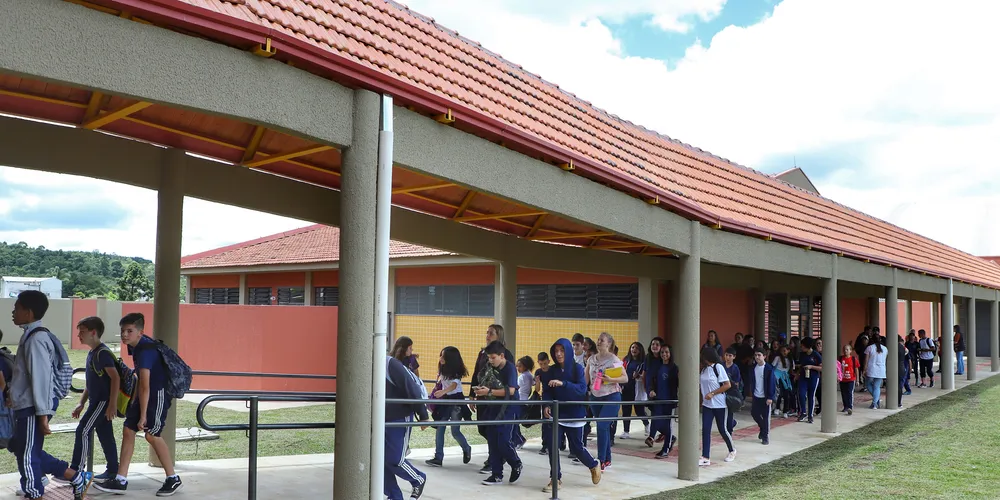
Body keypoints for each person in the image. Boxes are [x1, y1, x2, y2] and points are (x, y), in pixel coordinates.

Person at [8, 291, 92, 500]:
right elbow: (27, 376)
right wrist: (13, 394)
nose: (13, 312)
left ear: (28, 312)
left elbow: (41, 380)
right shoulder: (30, 334)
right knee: (24, 449)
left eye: (17, 308)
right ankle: (75, 476)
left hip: (33, 406)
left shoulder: (37, 339)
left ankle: (35, 493)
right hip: (28, 404)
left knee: (27, 455)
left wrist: (43, 415)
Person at [94, 313, 181, 496]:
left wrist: (142, 415)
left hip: (157, 396)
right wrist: (134, 402)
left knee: (151, 434)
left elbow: (145, 385)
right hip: (144, 394)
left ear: (140, 332)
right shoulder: (136, 347)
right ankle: (120, 480)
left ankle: (173, 478)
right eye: (123, 331)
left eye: (129, 331)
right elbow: (139, 381)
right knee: (128, 429)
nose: (125, 334)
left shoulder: (146, 350)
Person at [539, 338, 601, 493]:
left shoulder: (577, 369)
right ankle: (555, 478)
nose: (559, 354)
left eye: (562, 350)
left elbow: (581, 389)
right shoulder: (551, 370)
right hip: (557, 414)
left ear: (568, 351)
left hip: (574, 414)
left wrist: (563, 383)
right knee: (553, 446)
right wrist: (546, 405)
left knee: (577, 448)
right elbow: (547, 391)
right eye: (556, 351)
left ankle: (593, 465)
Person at [70, 317, 120, 482]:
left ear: (93, 333)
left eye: (82, 332)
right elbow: (90, 382)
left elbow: (115, 378)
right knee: (105, 435)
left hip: (102, 402)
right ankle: (113, 470)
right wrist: (81, 402)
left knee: (83, 430)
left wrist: (112, 404)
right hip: (96, 402)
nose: (79, 335)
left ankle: (76, 470)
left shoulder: (102, 354)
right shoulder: (93, 353)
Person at [473, 341, 522, 486]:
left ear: (501, 355)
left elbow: (511, 390)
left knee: (504, 440)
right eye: (489, 358)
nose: (490, 360)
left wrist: (488, 391)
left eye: (493, 357)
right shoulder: (490, 367)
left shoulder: (510, 368)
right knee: (492, 440)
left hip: (508, 408)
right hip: (493, 407)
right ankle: (496, 474)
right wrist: (483, 389)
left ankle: (516, 463)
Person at [384, 355, 429, 500]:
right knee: (378, 460)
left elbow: (411, 388)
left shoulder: (390, 364)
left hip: (399, 416)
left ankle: (418, 479)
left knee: (395, 459)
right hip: (378, 418)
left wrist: (423, 415)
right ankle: (394, 496)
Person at [469, 324, 514, 472]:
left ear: (498, 336)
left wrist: (493, 391)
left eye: (491, 333)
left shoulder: (506, 354)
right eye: (487, 332)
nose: (487, 335)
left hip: (497, 399)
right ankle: (499, 454)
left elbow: (510, 384)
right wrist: (472, 394)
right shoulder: (482, 353)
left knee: (492, 430)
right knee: (482, 428)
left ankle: (495, 458)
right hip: (483, 396)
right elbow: (476, 373)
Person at [586, 332, 625, 471]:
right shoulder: (591, 359)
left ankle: (601, 459)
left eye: (601, 340)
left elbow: (625, 378)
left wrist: (611, 380)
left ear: (608, 343)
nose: (598, 342)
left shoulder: (614, 359)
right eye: (598, 339)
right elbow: (586, 379)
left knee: (602, 425)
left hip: (611, 395)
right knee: (604, 427)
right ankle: (608, 459)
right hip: (595, 396)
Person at [425, 347, 471, 468]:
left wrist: (442, 391)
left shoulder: (455, 372)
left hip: (456, 401)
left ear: (450, 359)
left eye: (443, 356)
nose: (440, 358)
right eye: (440, 355)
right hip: (446, 400)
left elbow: (454, 385)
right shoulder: (442, 369)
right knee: (440, 428)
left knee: (455, 431)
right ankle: (438, 457)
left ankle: (466, 448)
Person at [699, 346, 736, 466]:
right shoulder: (704, 370)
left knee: (722, 429)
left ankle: (732, 450)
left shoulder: (718, 367)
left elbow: (727, 385)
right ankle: (705, 456)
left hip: (720, 404)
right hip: (707, 405)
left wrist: (713, 393)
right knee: (705, 430)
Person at [648, 345, 678, 458]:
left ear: (670, 354)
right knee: (657, 422)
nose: (664, 354)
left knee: (668, 424)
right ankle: (670, 438)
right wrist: (651, 390)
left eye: (666, 352)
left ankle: (666, 449)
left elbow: (677, 384)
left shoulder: (674, 368)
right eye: (662, 352)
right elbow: (652, 381)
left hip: (669, 401)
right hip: (658, 400)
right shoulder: (658, 367)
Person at [619, 341, 648, 439]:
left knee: (639, 410)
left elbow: (644, 376)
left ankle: (647, 424)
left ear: (640, 351)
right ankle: (626, 431)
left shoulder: (643, 362)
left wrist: (638, 376)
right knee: (626, 410)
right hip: (626, 388)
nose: (634, 350)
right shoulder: (626, 360)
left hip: (637, 389)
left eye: (636, 348)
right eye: (632, 347)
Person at [748, 348, 776, 445]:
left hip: (765, 397)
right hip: (756, 396)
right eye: (755, 355)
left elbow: (772, 383)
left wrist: (770, 397)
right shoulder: (753, 368)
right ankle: (762, 428)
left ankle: (765, 436)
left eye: (759, 355)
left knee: (766, 417)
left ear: (764, 356)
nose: (757, 357)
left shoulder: (768, 368)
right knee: (754, 413)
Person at [796, 337, 822, 423]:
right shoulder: (802, 354)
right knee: (801, 394)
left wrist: (811, 367)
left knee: (811, 395)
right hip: (803, 377)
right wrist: (797, 374)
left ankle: (810, 415)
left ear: (807, 346)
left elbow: (822, 367)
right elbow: (801, 365)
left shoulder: (816, 355)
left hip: (814, 377)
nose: (801, 347)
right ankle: (803, 412)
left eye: (802, 346)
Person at [864, 336, 887, 410]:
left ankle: (875, 402)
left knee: (868, 384)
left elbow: (866, 360)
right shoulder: (885, 348)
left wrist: (864, 369)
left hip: (871, 369)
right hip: (881, 369)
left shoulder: (869, 348)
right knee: (877, 386)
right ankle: (875, 403)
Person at [838, 344, 860, 415]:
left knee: (849, 393)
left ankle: (850, 407)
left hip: (851, 379)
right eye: (844, 349)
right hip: (842, 379)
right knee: (843, 393)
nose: (845, 351)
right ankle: (845, 407)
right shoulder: (841, 359)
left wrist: (857, 380)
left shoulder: (853, 359)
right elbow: (838, 368)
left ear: (850, 351)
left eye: (847, 349)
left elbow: (856, 369)